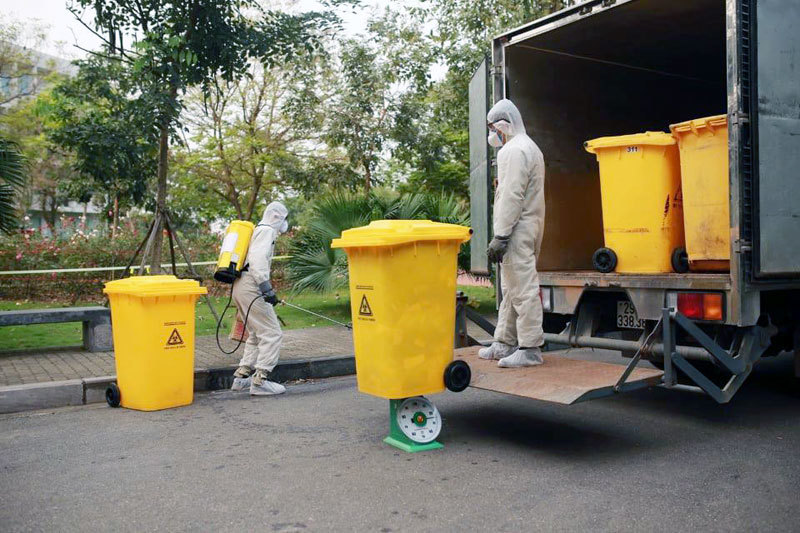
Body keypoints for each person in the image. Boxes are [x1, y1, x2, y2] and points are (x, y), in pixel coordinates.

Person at [479, 99, 546, 368]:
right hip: (528, 226)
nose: (492, 133)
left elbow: (511, 195)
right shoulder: (530, 148)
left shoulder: (513, 151)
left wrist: (501, 235)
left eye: (493, 127)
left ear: (504, 125)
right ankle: (503, 342)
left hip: (516, 230)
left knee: (523, 288)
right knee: (511, 287)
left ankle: (530, 348)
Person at [230, 201, 290, 395]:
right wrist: (266, 288)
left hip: (240, 285)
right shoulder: (266, 231)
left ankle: (242, 377)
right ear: (277, 217)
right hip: (251, 285)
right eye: (283, 219)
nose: (284, 224)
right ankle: (260, 381)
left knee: (256, 333)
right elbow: (257, 261)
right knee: (272, 333)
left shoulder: (258, 229)